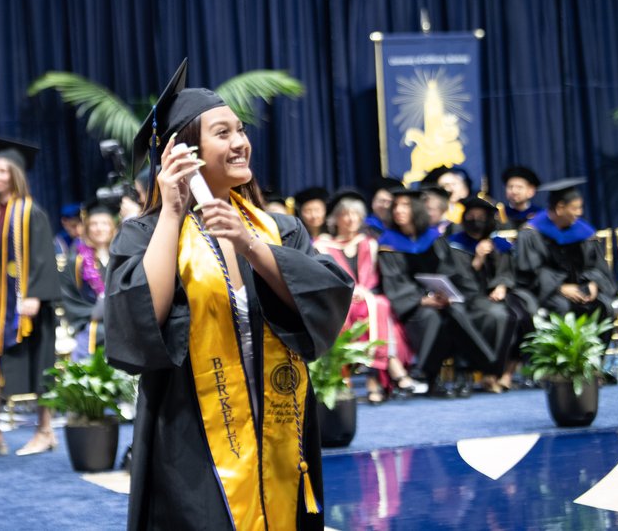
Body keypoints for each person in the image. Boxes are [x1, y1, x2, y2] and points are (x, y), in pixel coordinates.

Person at [105, 60, 353, 530]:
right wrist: (173, 212)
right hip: (193, 435)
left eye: (241, 130)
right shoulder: (144, 235)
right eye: (224, 133)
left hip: (280, 421)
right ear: (186, 152)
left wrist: (252, 247)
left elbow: (326, 294)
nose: (241, 142)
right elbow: (141, 318)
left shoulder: (274, 228)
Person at [0, 138, 61, 458]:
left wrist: (35, 296)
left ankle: (44, 431)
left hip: (27, 307)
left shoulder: (31, 212)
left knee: (39, 367)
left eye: (2, 172)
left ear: (16, 175)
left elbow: (43, 257)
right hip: (0, 307)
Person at [378, 188, 501, 396]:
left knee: (456, 312)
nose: (399, 210)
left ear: (417, 209)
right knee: (431, 318)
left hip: (442, 299)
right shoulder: (388, 243)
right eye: (396, 206)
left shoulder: (433, 237)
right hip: (415, 306)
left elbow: (451, 271)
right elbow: (394, 281)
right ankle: (437, 374)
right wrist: (423, 300)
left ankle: (459, 374)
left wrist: (446, 294)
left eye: (405, 205)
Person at [315, 189, 415, 403]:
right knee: (375, 307)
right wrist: (349, 291)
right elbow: (323, 280)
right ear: (335, 219)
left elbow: (376, 280)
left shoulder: (369, 243)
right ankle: (389, 370)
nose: (351, 220)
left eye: (356, 215)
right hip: (339, 303)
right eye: (345, 214)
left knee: (379, 303)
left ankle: (374, 378)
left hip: (368, 299)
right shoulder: (322, 246)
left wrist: (363, 292)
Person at [515, 178, 615, 333]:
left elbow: (597, 266)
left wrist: (593, 283)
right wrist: (560, 288)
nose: (579, 213)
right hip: (549, 292)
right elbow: (530, 272)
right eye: (575, 208)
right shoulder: (532, 233)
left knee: (603, 306)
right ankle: (562, 357)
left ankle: (593, 357)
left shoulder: (584, 232)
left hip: (581, 289)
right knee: (561, 307)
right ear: (560, 208)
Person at [448, 197, 527, 392]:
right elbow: (462, 282)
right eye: (471, 216)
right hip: (473, 299)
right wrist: (478, 258)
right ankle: (492, 373)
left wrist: (502, 285)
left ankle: (507, 372)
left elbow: (507, 272)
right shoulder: (455, 244)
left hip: (501, 296)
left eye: (481, 217)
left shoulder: (499, 243)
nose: (476, 221)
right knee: (501, 317)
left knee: (525, 315)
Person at [60, 201, 116, 361]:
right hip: (92, 327)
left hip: (122, 325)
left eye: (105, 223)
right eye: (94, 224)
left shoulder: (122, 255)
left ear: (112, 226)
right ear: (87, 228)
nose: (99, 228)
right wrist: (92, 313)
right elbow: (68, 295)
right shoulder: (76, 260)